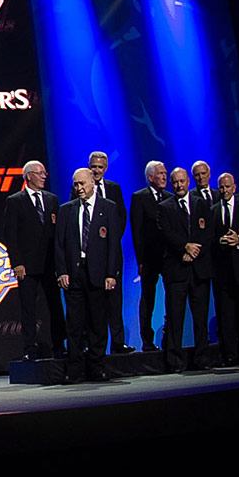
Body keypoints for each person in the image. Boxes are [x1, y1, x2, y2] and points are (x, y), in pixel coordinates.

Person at [56, 168, 123, 383]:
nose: (79, 188)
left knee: (97, 323)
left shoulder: (108, 208)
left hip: (98, 274)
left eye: (82, 184)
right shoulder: (66, 210)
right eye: (76, 184)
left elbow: (114, 245)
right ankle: (74, 369)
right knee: (74, 324)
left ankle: (97, 367)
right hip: (74, 274)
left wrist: (111, 274)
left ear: (93, 182)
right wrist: (62, 271)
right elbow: (59, 245)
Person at [2, 160, 64, 361]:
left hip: (50, 264)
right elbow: (10, 235)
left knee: (55, 306)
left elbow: (58, 233)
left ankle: (59, 345)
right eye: (40, 173)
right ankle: (30, 348)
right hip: (26, 266)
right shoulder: (15, 201)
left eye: (45, 172)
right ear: (29, 176)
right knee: (28, 308)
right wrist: (17, 263)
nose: (44, 176)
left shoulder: (52, 199)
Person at [74, 151, 133, 353]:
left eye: (100, 167)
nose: (96, 171)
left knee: (115, 300)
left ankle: (118, 342)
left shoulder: (114, 189)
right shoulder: (78, 189)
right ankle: (89, 344)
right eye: (93, 167)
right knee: (91, 303)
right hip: (88, 258)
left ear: (106, 168)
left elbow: (121, 217)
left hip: (111, 253)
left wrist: (112, 241)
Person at [156, 167, 214, 372]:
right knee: (175, 317)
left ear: (188, 182)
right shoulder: (165, 207)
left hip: (199, 270)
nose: (179, 186)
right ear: (172, 184)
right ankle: (174, 361)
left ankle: (202, 359)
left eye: (182, 181)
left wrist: (194, 250)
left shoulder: (201, 203)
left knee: (200, 318)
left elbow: (208, 232)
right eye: (175, 183)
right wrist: (184, 247)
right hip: (177, 270)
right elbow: (166, 233)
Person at [129, 161, 169, 351]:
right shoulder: (139, 198)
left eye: (165, 173)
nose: (164, 176)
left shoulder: (170, 197)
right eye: (160, 173)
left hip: (169, 257)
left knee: (173, 297)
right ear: (150, 177)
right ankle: (147, 339)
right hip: (149, 258)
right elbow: (137, 232)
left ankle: (170, 335)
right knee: (148, 298)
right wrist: (141, 261)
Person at [209, 172, 239, 365]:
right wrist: (220, 241)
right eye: (221, 187)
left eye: (228, 187)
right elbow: (208, 239)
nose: (224, 191)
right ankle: (230, 354)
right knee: (226, 315)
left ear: (234, 188)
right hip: (222, 272)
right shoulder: (212, 210)